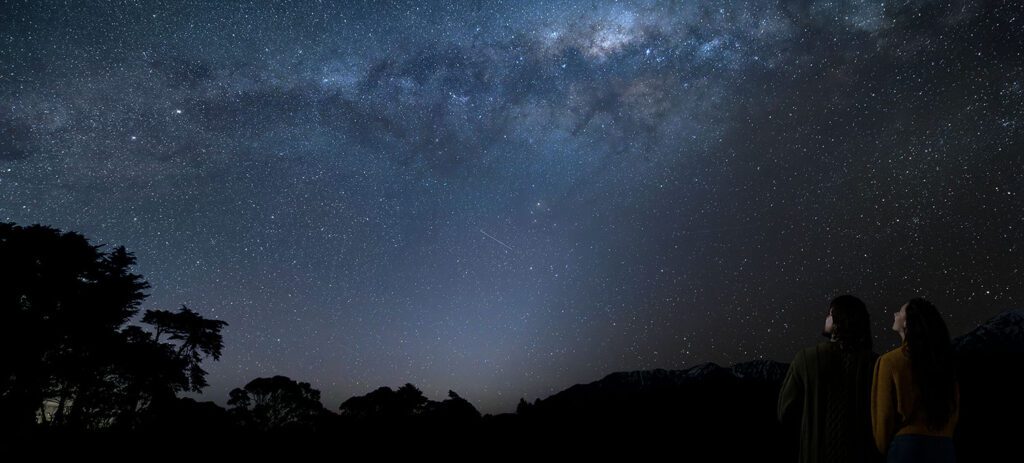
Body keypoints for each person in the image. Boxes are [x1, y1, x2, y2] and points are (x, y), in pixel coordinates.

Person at [778, 294, 881, 463]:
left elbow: (785, 412)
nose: (826, 318)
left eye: (829, 314)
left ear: (838, 319)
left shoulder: (805, 358)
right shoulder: (876, 363)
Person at [871, 298, 960, 462]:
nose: (895, 314)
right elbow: (954, 408)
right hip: (945, 446)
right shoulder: (944, 362)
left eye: (900, 312)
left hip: (907, 448)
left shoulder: (890, 362)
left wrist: (886, 448)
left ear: (907, 323)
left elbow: (884, 417)